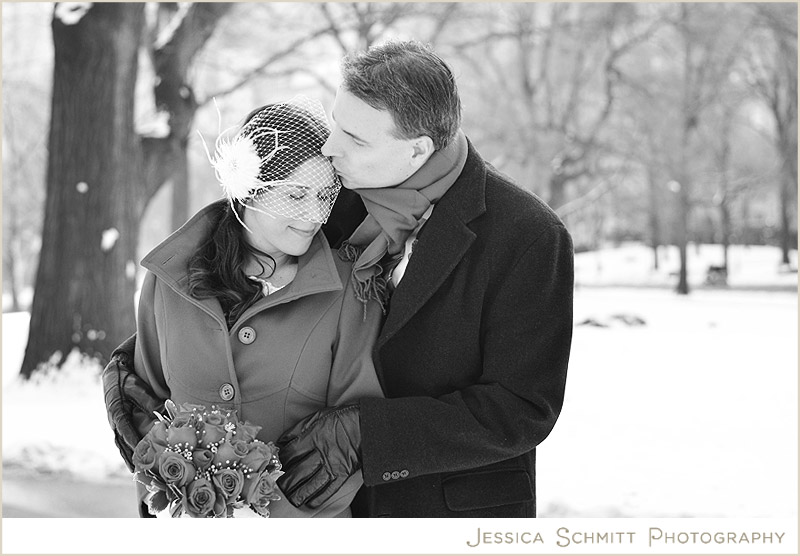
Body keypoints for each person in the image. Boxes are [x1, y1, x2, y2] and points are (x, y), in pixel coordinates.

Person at [104, 40, 573, 518]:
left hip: (442, 509)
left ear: (417, 150)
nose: (330, 147)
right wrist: (123, 367)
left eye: (355, 137)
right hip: (313, 507)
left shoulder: (530, 237)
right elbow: (239, 259)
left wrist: (366, 434)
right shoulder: (333, 193)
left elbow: (521, 408)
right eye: (336, 122)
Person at [110, 96, 383, 518]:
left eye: (324, 195)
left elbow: (355, 436)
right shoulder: (167, 281)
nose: (314, 214)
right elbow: (149, 410)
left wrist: (268, 516)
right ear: (248, 189)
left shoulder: (350, 288)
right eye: (295, 195)